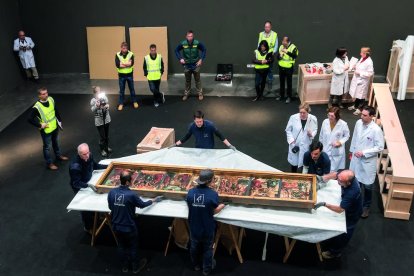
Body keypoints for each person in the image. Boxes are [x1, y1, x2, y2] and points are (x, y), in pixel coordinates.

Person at [108, 170, 163, 273]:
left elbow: (111, 207)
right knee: (133, 247)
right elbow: (142, 205)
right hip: (129, 227)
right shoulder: (131, 195)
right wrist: (154, 200)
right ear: (128, 182)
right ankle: (135, 267)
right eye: (131, 180)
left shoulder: (111, 192)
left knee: (121, 246)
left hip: (116, 226)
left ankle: (124, 267)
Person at [314, 170, 362, 259]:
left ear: (348, 183)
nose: (337, 181)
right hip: (347, 201)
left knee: (345, 230)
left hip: (352, 213)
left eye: (340, 181)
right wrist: (321, 178)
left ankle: (335, 252)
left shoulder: (352, 192)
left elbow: (340, 209)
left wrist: (324, 204)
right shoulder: (344, 176)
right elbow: (335, 174)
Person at [186, 169, 225, 275]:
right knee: (208, 249)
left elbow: (190, 205)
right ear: (210, 181)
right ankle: (206, 270)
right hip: (207, 228)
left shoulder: (190, 192)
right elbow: (213, 211)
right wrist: (222, 205)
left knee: (194, 247)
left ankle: (195, 266)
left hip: (194, 227)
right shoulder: (213, 194)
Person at [349, 105, 384, 218]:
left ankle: (366, 207)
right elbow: (354, 137)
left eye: (364, 115)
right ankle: (355, 204)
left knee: (368, 186)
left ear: (371, 116)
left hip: (367, 161)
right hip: (356, 158)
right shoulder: (359, 123)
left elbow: (380, 147)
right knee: (356, 183)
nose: (361, 116)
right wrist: (351, 151)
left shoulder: (376, 130)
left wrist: (364, 152)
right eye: (362, 114)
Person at [69, 143, 107, 233]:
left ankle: (97, 215)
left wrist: (108, 167)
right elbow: (76, 183)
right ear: (79, 154)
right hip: (80, 187)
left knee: (96, 199)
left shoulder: (89, 155)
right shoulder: (75, 166)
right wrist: (88, 186)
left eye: (88, 152)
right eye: (84, 154)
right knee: (85, 208)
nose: (87, 155)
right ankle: (88, 227)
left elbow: (95, 165)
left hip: (88, 181)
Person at [28, 87, 68, 170]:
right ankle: (49, 163)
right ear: (39, 96)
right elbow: (29, 119)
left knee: (55, 142)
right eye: (43, 94)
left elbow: (55, 110)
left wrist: (59, 121)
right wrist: (39, 125)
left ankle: (58, 156)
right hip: (46, 131)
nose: (46, 95)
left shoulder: (51, 99)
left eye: (46, 93)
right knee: (47, 147)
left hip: (54, 126)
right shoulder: (37, 107)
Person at [285, 103, 318, 172]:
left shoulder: (313, 118)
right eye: (300, 112)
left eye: (304, 113)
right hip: (295, 144)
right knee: (294, 163)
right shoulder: (293, 117)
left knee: (304, 163)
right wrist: (291, 140)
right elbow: (288, 130)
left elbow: (315, 129)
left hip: (306, 144)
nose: (302, 114)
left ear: (308, 112)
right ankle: (293, 176)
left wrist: (311, 135)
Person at [175, 30, 207, 101]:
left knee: (197, 80)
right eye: (189, 36)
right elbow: (176, 50)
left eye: (191, 36)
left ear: (193, 36)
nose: (190, 37)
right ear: (186, 36)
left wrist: (201, 59)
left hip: (196, 65)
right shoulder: (183, 44)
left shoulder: (197, 43)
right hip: (187, 66)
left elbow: (204, 49)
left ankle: (200, 93)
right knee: (187, 81)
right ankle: (186, 93)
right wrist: (180, 58)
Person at [319, 107, 350, 171]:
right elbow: (321, 135)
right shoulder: (325, 122)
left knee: (333, 171)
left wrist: (340, 142)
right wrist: (320, 147)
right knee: (325, 168)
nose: (330, 117)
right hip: (325, 149)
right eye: (329, 115)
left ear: (337, 116)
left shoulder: (343, 124)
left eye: (332, 116)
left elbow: (347, 136)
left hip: (336, 151)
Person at [348, 47, 374, 115]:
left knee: (361, 96)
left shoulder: (369, 62)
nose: (360, 54)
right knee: (357, 94)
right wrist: (355, 66)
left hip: (363, 81)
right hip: (357, 80)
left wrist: (360, 73)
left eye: (361, 53)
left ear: (365, 54)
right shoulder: (362, 58)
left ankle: (360, 109)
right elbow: (360, 65)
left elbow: (370, 73)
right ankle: (355, 106)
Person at [115, 42, 138, 111]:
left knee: (132, 89)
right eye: (123, 48)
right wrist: (126, 64)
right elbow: (117, 65)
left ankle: (134, 102)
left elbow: (131, 64)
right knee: (122, 91)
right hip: (121, 76)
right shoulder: (117, 55)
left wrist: (122, 64)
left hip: (129, 75)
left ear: (127, 48)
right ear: (121, 48)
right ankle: (121, 103)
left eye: (125, 48)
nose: (124, 49)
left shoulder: (131, 54)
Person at [90, 86, 112, 157]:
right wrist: (97, 105)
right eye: (97, 91)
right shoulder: (93, 100)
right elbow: (92, 109)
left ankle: (106, 147)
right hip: (99, 121)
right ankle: (102, 149)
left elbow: (107, 104)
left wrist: (107, 106)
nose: (99, 92)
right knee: (102, 137)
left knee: (106, 136)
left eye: (100, 90)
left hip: (106, 119)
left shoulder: (104, 97)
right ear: (95, 93)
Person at [276, 36, 299, 104]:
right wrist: (280, 56)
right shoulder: (281, 46)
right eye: (282, 41)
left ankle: (289, 97)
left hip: (289, 67)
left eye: (284, 41)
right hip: (281, 67)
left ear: (288, 42)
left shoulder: (293, 47)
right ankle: (282, 96)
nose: (283, 42)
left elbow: (295, 56)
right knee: (281, 82)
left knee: (289, 83)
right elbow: (278, 57)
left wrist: (287, 52)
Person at [257, 21, 278, 93]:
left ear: (270, 27)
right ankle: (260, 82)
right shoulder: (261, 34)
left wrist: (273, 52)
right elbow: (258, 45)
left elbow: (276, 46)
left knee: (270, 69)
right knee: (261, 69)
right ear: (264, 27)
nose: (267, 28)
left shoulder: (274, 34)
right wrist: (258, 52)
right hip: (262, 54)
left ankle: (270, 82)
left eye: (268, 27)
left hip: (269, 55)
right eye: (266, 27)